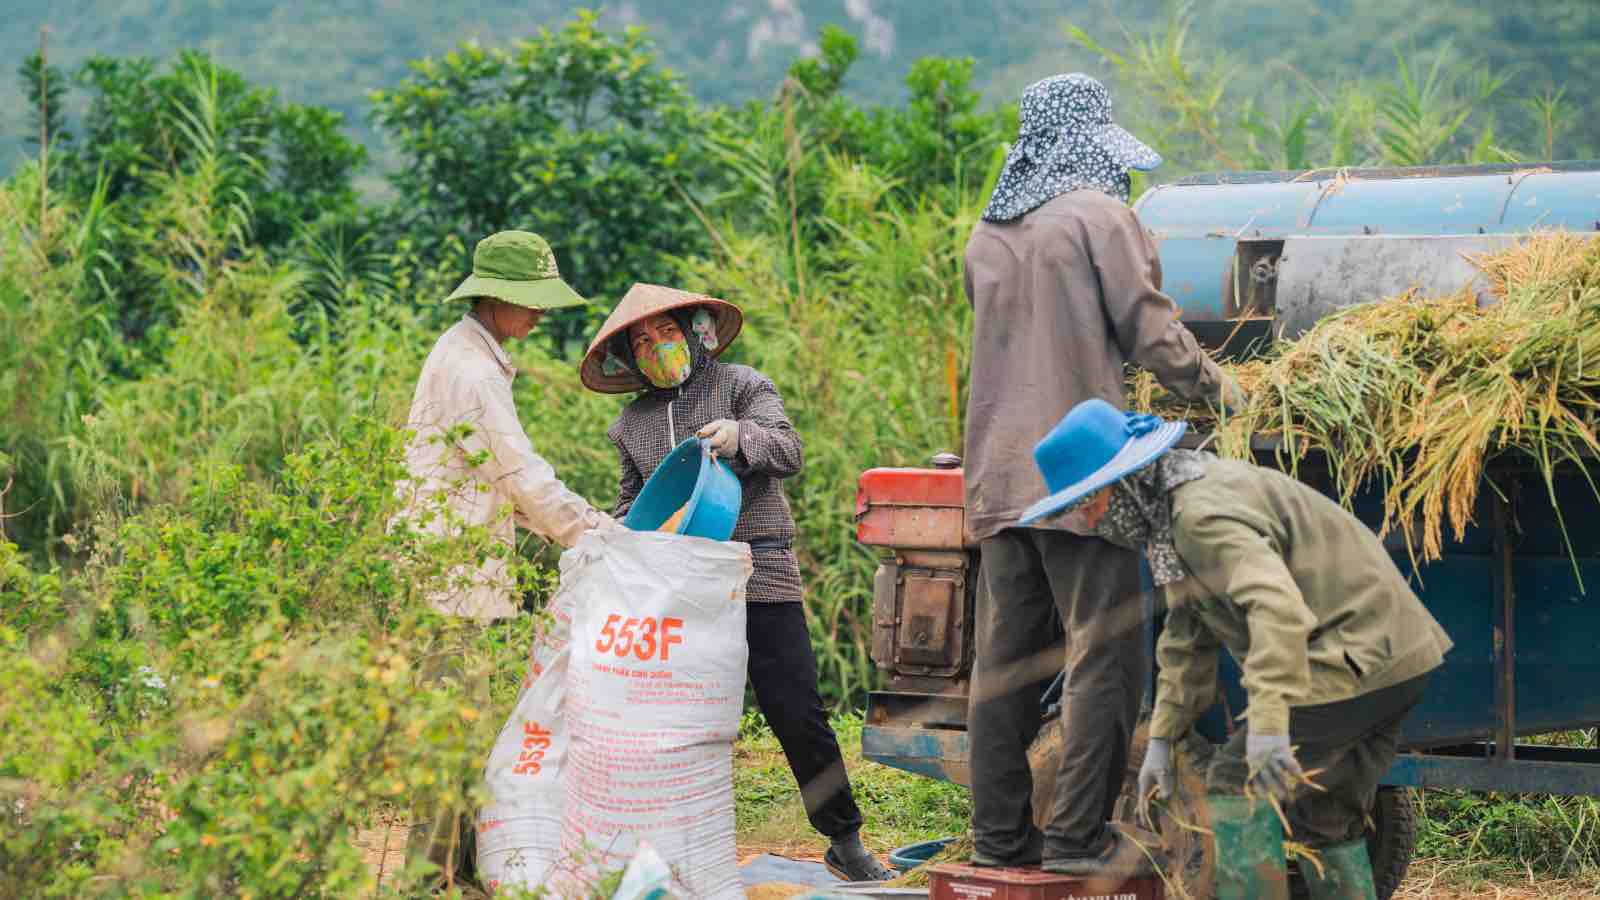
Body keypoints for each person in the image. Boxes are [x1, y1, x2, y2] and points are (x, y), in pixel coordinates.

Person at [961, 72, 1243, 875]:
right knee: (1106, 656)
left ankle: (1000, 842)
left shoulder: (990, 233)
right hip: (1083, 479)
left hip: (996, 480)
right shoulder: (1097, 216)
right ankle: (1076, 843)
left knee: (1006, 665)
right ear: (1091, 138)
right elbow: (1151, 332)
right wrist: (1226, 388)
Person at [1019, 398, 1453, 898]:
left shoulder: (1198, 516)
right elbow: (1188, 633)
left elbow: (1276, 608)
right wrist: (1163, 737)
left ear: (1121, 483)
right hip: (1398, 660)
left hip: (1351, 658)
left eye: (1088, 503)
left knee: (1231, 784)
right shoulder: (1175, 510)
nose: (1090, 520)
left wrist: (1268, 726)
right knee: (1325, 819)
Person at [579, 283, 893, 883]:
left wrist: (739, 436)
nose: (656, 348)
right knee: (670, 723)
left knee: (795, 708)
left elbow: (789, 449)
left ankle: (844, 839)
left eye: (666, 333)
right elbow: (633, 503)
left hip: (759, 572)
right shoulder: (631, 425)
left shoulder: (742, 386)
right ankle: (665, 847)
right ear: (629, 358)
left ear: (694, 332)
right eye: (642, 342)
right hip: (679, 596)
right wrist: (605, 531)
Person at [399, 229, 618, 887]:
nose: (539, 312)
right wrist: (595, 532)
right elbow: (520, 474)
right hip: (445, 582)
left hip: (449, 575)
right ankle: (425, 882)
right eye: (529, 299)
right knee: (447, 741)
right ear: (493, 297)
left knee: (459, 734)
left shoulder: (470, 354)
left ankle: (457, 875)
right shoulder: (471, 372)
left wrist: (578, 527)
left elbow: (502, 481)